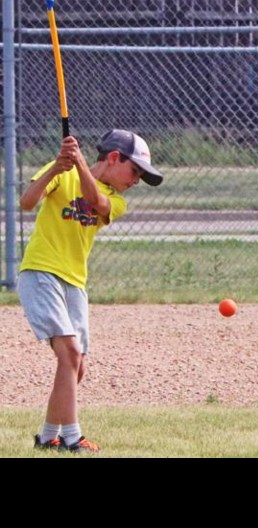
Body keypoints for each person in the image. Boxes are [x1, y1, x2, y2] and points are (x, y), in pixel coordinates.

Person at [19, 129, 163, 452]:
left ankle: (47, 436)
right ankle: (72, 438)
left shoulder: (116, 201)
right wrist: (57, 168)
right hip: (41, 272)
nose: (136, 180)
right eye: (135, 170)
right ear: (114, 158)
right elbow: (26, 203)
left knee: (76, 365)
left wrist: (79, 162)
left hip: (75, 283)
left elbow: (93, 201)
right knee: (69, 353)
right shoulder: (62, 170)